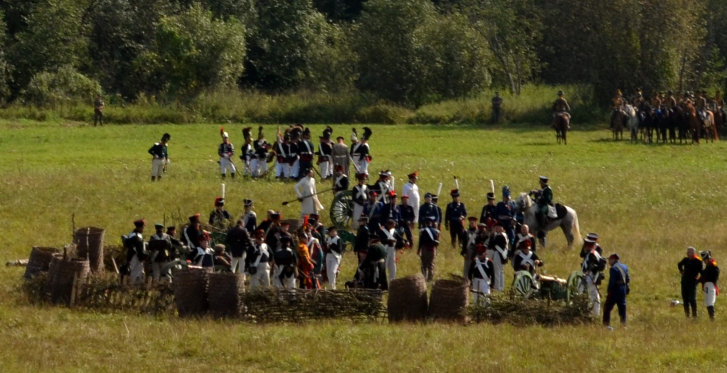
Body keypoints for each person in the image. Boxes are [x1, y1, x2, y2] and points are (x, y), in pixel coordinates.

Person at [580, 233, 606, 316]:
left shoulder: (595, 251)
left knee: (593, 295)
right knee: (584, 293)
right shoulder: (589, 250)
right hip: (586, 274)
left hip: (591, 276)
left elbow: (597, 265)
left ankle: (594, 313)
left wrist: (589, 270)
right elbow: (582, 255)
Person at [603, 253, 630, 329]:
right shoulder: (624, 266)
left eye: (610, 260)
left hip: (616, 289)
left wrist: (608, 291)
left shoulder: (613, 269)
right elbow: (628, 279)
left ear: (613, 259)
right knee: (622, 307)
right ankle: (623, 325)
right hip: (623, 289)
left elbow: (612, 282)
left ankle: (606, 325)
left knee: (607, 307)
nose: (609, 262)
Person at [678, 246, 703, 318]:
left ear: (694, 252)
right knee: (685, 299)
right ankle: (687, 315)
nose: (690, 253)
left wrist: (698, 280)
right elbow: (679, 264)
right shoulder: (685, 260)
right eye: (688, 251)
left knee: (692, 299)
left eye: (691, 251)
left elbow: (702, 273)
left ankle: (695, 315)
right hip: (684, 281)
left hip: (692, 282)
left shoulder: (698, 261)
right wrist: (681, 271)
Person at [123, 219, 147, 286]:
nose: (143, 229)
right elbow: (138, 248)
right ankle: (134, 286)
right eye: (143, 227)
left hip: (132, 255)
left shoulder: (132, 234)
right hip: (135, 256)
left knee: (135, 270)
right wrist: (142, 256)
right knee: (136, 271)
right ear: (139, 227)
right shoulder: (137, 236)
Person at [488, 222, 509, 291]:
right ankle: (501, 287)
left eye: (498, 227)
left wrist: (492, 236)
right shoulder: (504, 235)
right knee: (501, 272)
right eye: (496, 227)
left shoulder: (500, 236)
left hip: (498, 254)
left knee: (497, 271)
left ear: (501, 228)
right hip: (502, 255)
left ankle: (497, 287)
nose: (496, 228)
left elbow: (491, 245)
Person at [418, 217, 440, 282]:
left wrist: (419, 250)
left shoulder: (423, 231)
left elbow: (421, 241)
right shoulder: (435, 231)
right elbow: (437, 241)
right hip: (432, 249)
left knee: (424, 264)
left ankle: (424, 278)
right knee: (431, 265)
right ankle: (430, 279)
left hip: (425, 249)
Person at [700, 250, 719, 320]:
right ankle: (711, 317)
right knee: (708, 302)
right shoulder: (708, 266)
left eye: (705, 260)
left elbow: (712, 276)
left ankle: (712, 317)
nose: (704, 261)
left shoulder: (713, 266)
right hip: (707, 285)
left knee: (709, 302)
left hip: (710, 285)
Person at [534, 176, 553, 242]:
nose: (540, 184)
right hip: (540, 203)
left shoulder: (548, 189)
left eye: (541, 182)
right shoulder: (543, 189)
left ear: (543, 183)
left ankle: (542, 226)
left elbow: (548, 199)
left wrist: (540, 198)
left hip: (546, 204)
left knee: (540, 212)